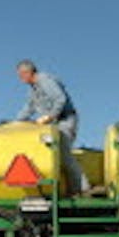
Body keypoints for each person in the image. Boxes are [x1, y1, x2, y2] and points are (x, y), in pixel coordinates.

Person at [13, 59, 89, 193]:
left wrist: (50, 116)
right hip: (53, 125)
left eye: (21, 75)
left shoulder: (45, 81)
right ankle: (65, 190)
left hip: (64, 120)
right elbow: (28, 108)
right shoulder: (33, 90)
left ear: (28, 72)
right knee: (53, 155)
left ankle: (83, 189)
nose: (20, 78)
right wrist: (16, 122)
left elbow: (60, 98)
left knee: (63, 153)